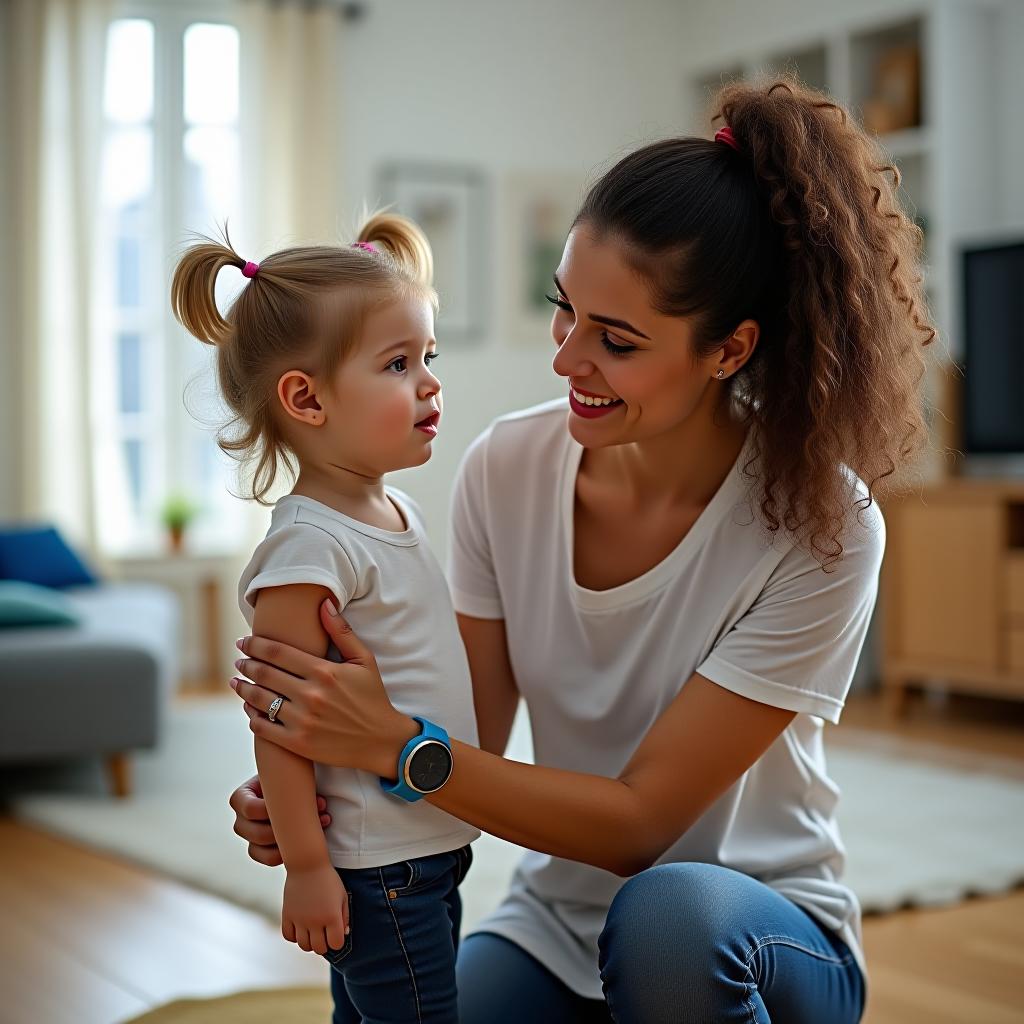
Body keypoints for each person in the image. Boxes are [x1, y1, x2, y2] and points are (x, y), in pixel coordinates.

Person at [227, 78, 935, 1023]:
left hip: (753, 932)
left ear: (729, 349)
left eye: (618, 340)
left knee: (669, 921)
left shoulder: (826, 529)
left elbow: (644, 826)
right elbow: (461, 738)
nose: (565, 359)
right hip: (553, 931)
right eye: (565, 309)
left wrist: (393, 745)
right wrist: (320, 790)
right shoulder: (506, 468)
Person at [170, 213, 480, 1023]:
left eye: (429, 358)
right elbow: (276, 716)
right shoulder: (310, 545)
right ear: (306, 398)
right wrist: (307, 866)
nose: (430, 383)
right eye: (397, 364)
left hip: (427, 851)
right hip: (379, 869)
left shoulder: (396, 510)